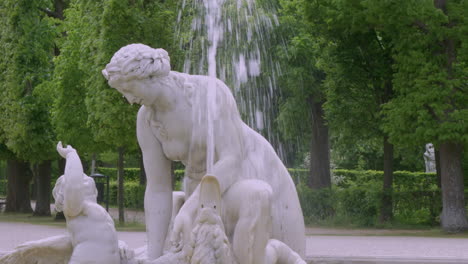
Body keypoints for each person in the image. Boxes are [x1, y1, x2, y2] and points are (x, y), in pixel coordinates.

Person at [102, 43, 305, 263]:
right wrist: (153, 254)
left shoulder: (209, 93)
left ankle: (278, 252)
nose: (129, 100)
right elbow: (158, 188)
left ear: (150, 77)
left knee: (250, 243)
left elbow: (231, 160)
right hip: (205, 194)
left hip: (249, 176)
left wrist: (188, 210)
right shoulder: (147, 120)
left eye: (130, 90)